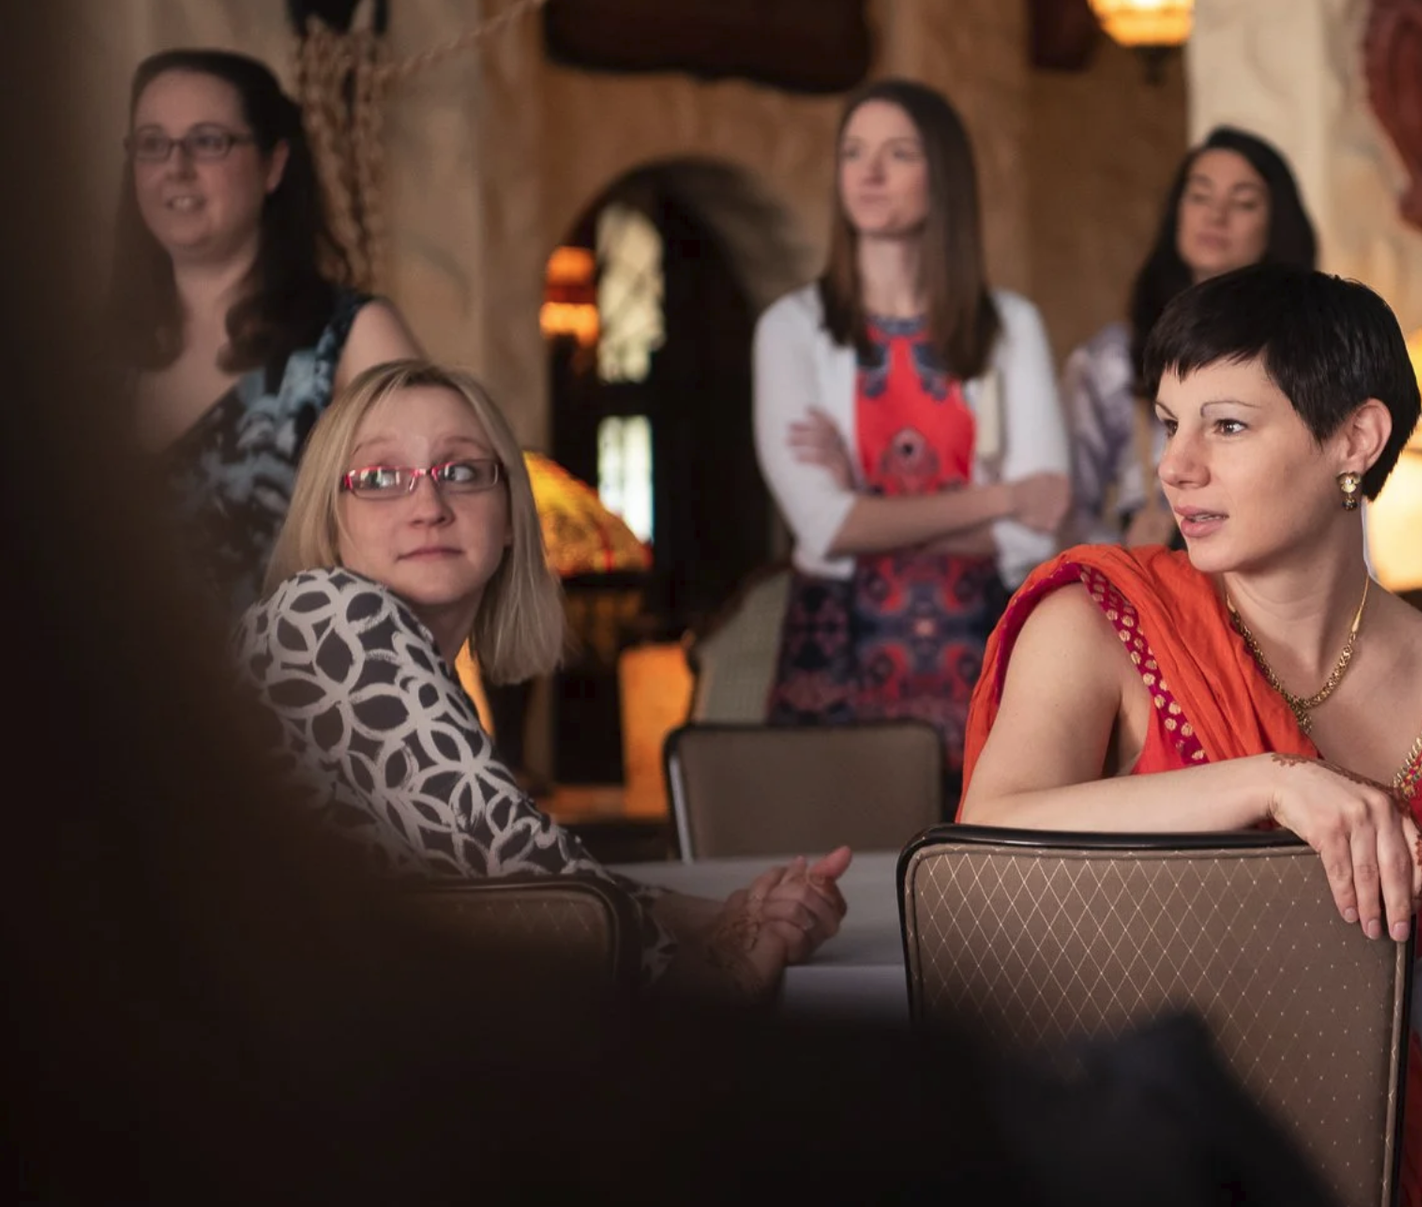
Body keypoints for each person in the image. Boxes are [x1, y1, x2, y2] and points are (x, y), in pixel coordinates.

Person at [955, 262, 1422, 1207]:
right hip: (1114, 1174)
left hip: (1378, 1194)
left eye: (1224, 426)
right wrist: (1266, 782)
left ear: (1352, 440)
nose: (1175, 467)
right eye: (1167, 421)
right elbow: (976, 850)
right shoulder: (1097, 621)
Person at [240, 360, 851, 1003]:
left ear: (508, 519)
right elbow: (533, 882)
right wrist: (731, 959)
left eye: (462, 471)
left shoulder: (406, 680)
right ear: (332, 522)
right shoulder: (327, 613)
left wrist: (723, 914)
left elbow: (501, 877)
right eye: (381, 477)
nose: (428, 505)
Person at [751, 79, 1070, 800]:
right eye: (854, 152)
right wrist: (998, 497)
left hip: (988, 651)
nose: (868, 172)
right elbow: (824, 524)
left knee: (987, 887)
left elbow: (1038, 534)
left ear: (944, 177)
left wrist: (873, 514)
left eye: (898, 154)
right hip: (836, 659)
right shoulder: (791, 329)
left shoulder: (1010, 324)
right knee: (839, 889)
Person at [118, 49, 423, 619]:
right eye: (152, 144)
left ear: (274, 164)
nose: (175, 167)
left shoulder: (354, 338)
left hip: (286, 702)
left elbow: (428, 549)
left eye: (208, 141)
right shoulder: (86, 351)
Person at [1060, 126, 1319, 548]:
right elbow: (1065, 510)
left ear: (1275, 225)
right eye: (1199, 196)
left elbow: (1337, 499)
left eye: (1243, 203)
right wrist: (1124, 553)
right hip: (1155, 583)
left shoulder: (1305, 355)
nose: (1215, 216)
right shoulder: (1113, 359)